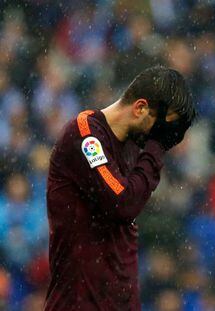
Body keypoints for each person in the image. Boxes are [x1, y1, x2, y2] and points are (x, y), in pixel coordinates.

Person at [44, 66, 197, 310]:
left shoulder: (134, 146)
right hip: (79, 303)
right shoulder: (85, 135)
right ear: (140, 108)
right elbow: (123, 203)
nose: (159, 139)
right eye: (160, 129)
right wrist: (156, 147)